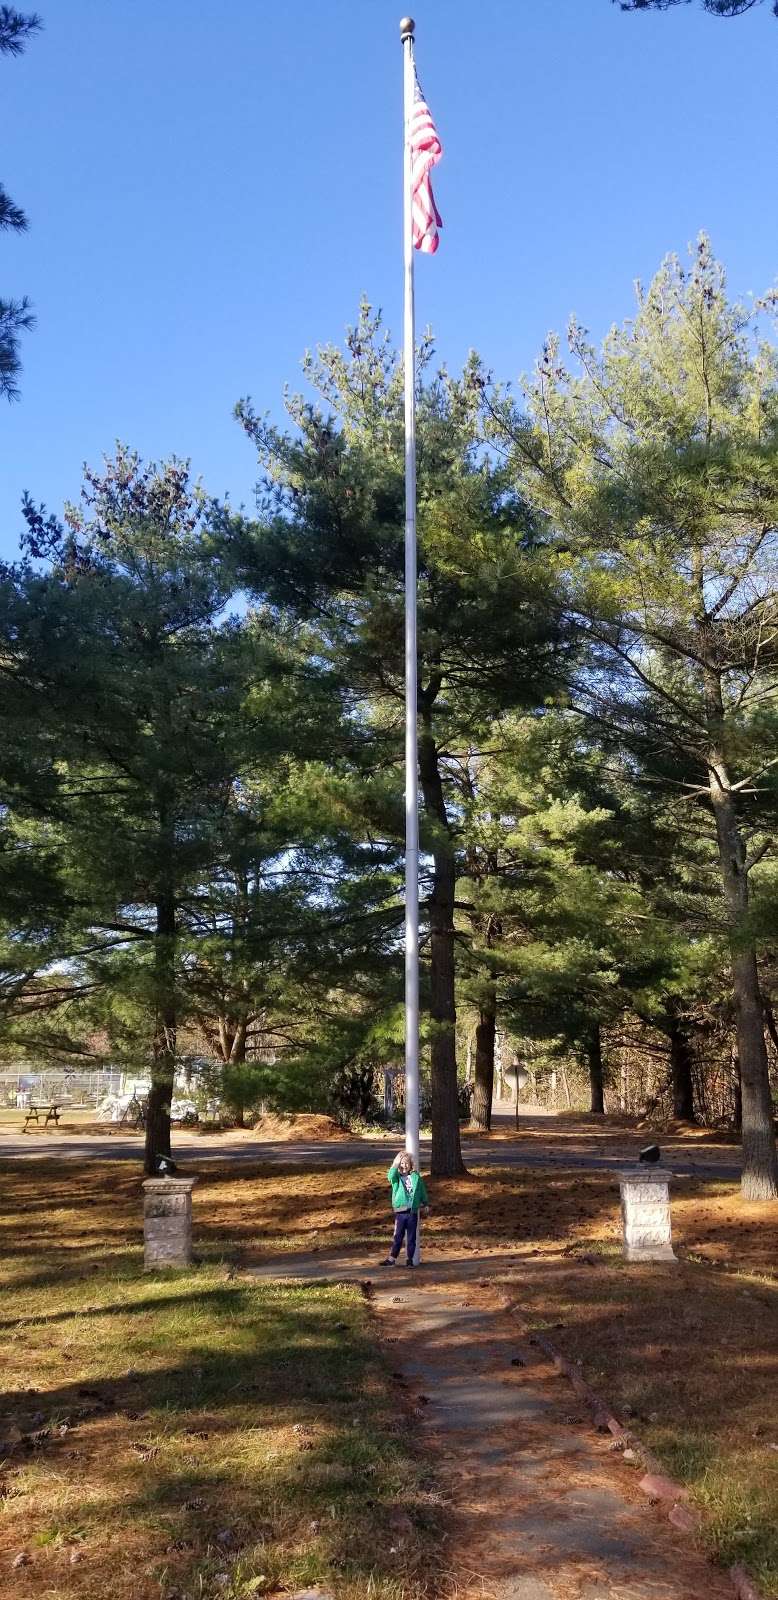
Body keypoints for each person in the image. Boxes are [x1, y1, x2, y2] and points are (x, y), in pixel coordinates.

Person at [381, 1150, 430, 1267]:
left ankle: (410, 1259)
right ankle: (392, 1258)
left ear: (411, 1165)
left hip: (412, 1212)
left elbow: (422, 1190)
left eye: (407, 1163)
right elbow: (390, 1176)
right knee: (398, 1236)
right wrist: (395, 1163)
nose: (404, 1166)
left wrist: (425, 1203)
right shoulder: (396, 1178)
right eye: (402, 1163)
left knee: (411, 1237)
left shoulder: (415, 1177)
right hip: (400, 1212)